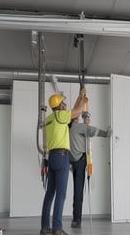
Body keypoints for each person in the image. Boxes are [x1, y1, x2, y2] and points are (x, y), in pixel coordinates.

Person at [40, 88, 86, 235]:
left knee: (50, 194)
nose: (65, 105)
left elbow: (73, 111)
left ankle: (45, 227)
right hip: (61, 156)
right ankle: (57, 228)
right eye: (63, 103)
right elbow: (78, 111)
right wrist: (83, 98)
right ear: (59, 106)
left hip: (52, 157)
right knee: (61, 194)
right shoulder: (61, 115)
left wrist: (79, 96)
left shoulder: (50, 119)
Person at [69, 111, 111, 228]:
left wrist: (85, 124)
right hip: (81, 161)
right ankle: (77, 220)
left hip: (71, 161)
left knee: (76, 190)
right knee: (78, 192)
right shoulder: (79, 126)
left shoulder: (68, 128)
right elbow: (93, 131)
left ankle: (75, 218)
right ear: (75, 118)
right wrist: (106, 134)